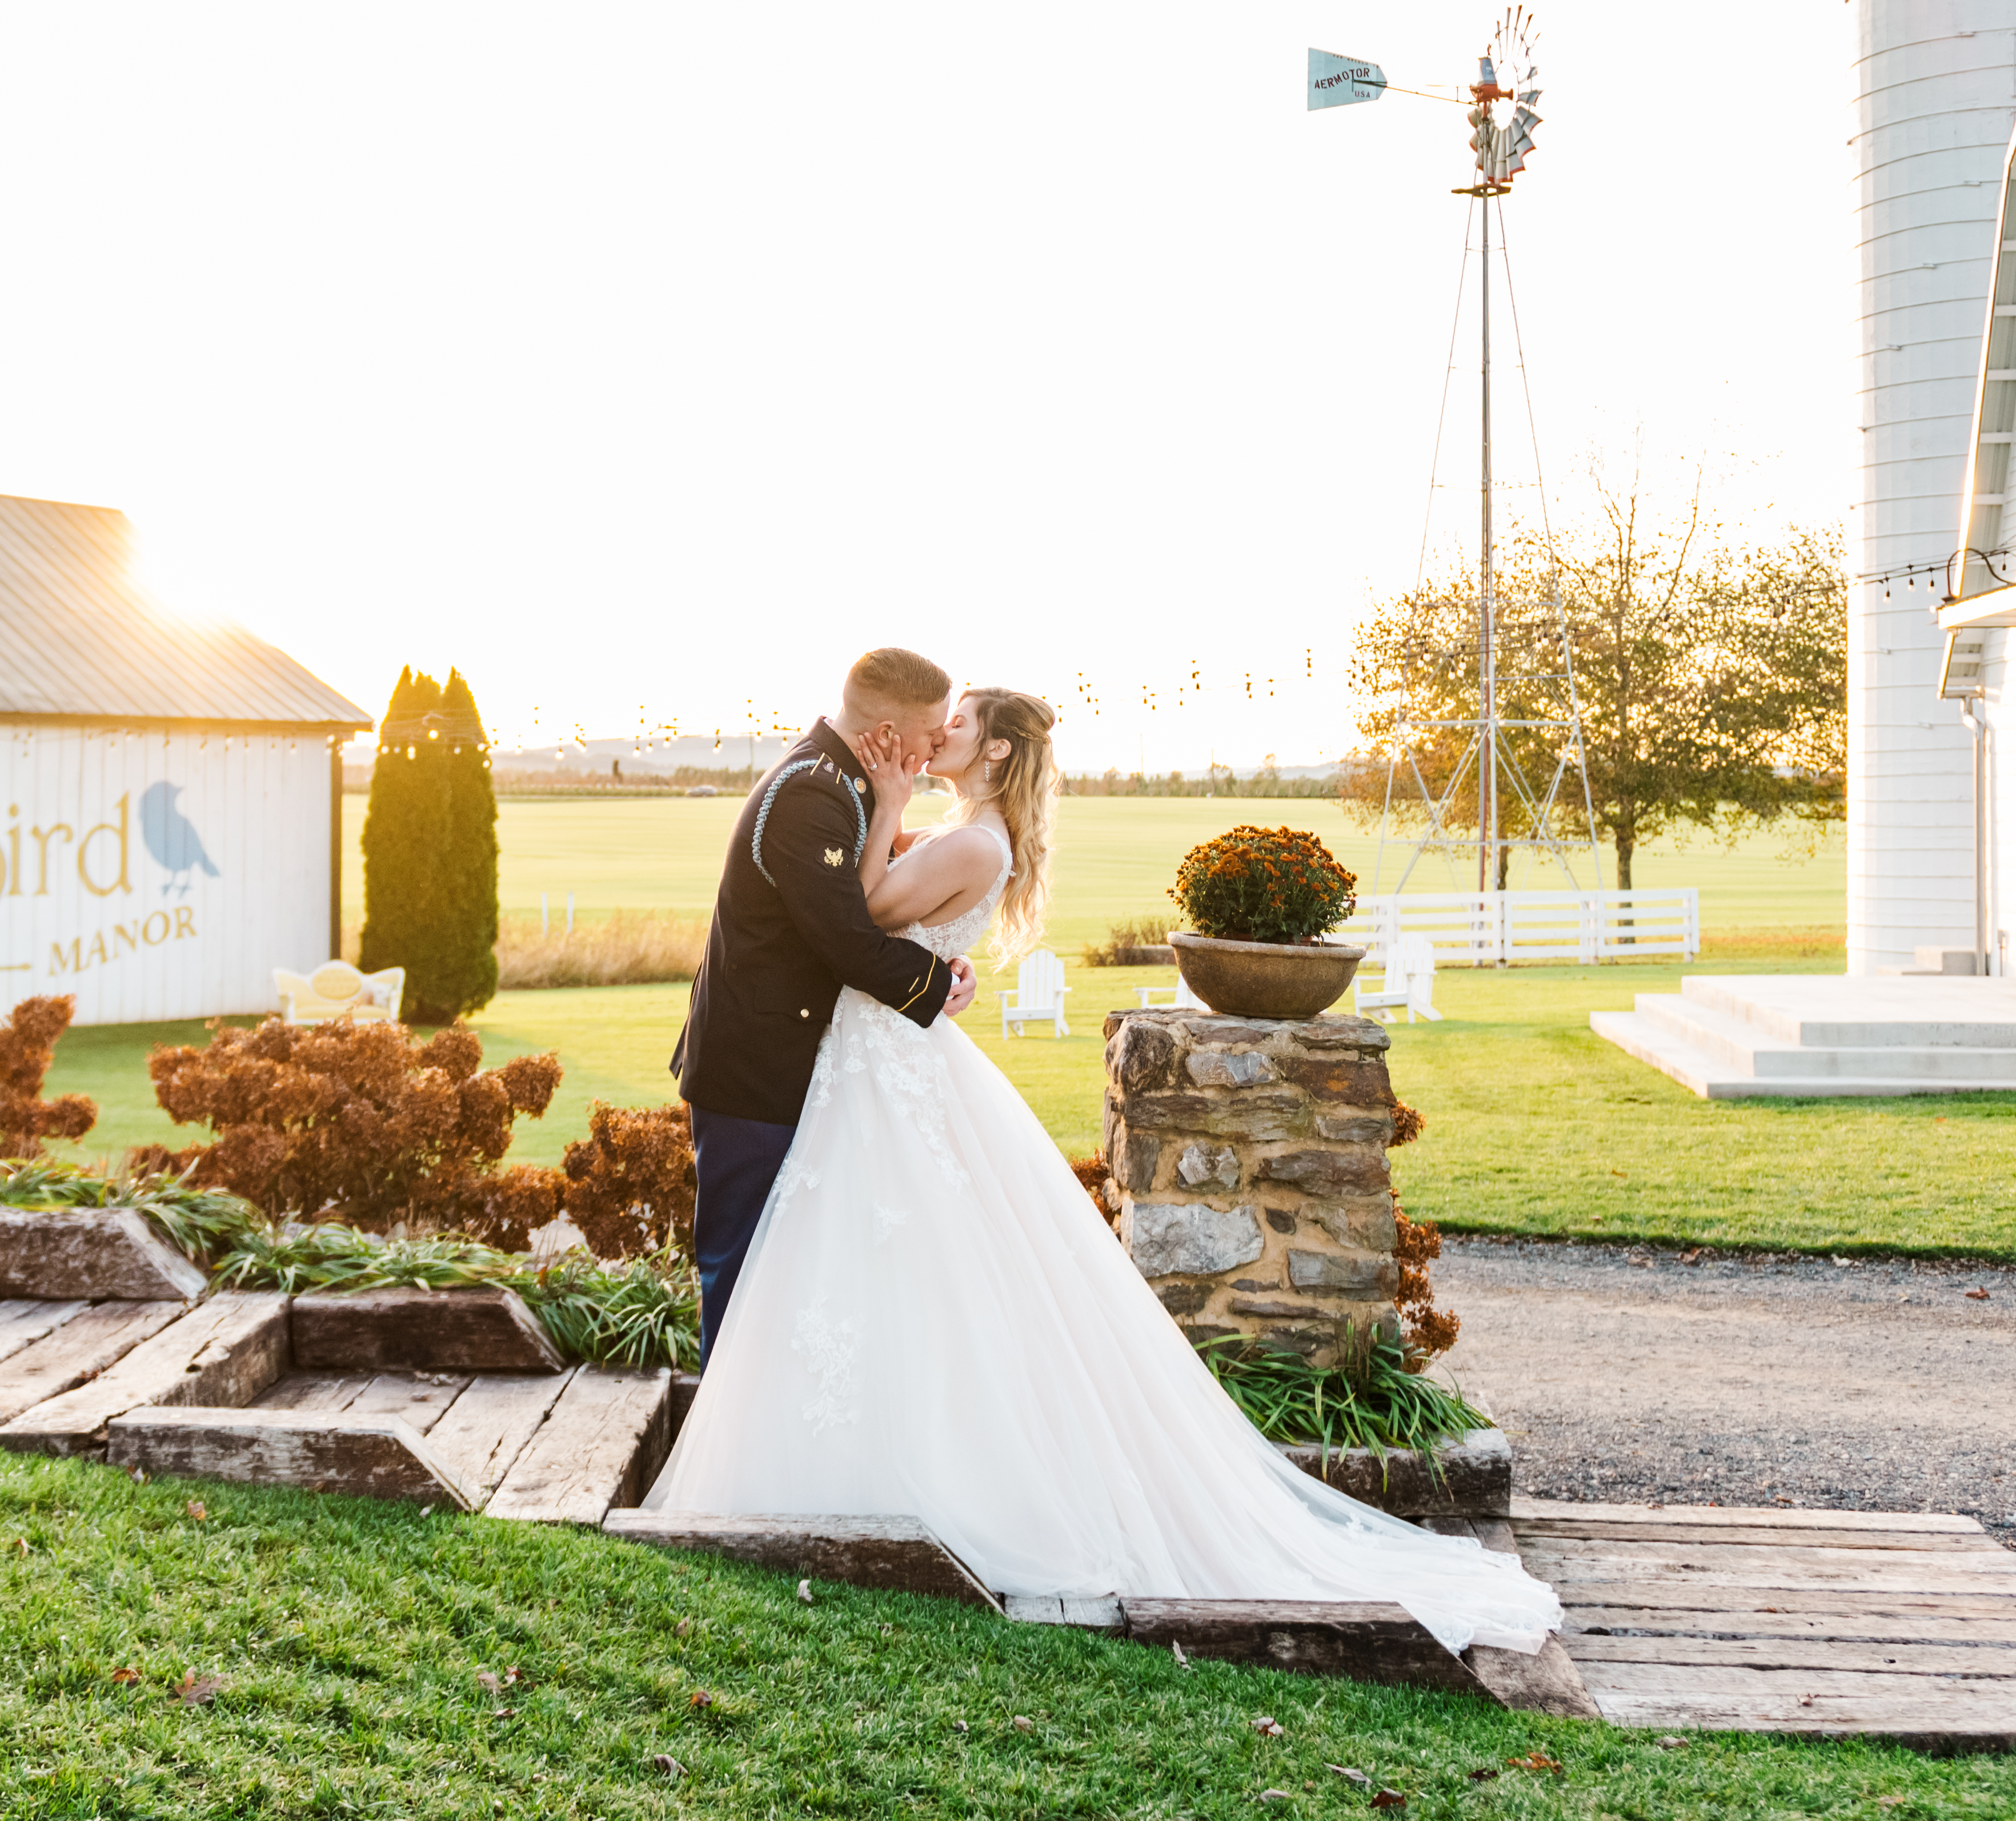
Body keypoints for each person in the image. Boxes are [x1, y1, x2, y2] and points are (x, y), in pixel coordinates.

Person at [650, 681, 1562, 1662]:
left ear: (994, 754)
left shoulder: (965, 836)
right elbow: (867, 924)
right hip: (878, 1064)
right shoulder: (968, 831)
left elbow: (862, 909)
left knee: (895, 1262)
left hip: (886, 1068)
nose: (930, 741)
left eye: (951, 729)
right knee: (897, 1269)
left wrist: (891, 800)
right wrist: (908, 847)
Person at [671, 646, 977, 1343]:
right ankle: (722, 1445)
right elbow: (841, 937)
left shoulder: (851, 782)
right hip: (755, 1071)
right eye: (932, 730)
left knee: (790, 1273)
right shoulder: (811, 791)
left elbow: (884, 891)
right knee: (741, 1264)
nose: (937, 743)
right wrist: (937, 985)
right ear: (890, 729)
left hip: (794, 1064)